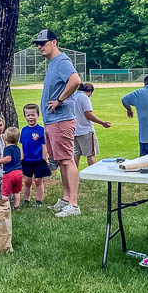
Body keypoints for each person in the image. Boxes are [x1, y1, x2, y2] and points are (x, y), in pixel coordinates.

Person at [34, 29, 82, 218]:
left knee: (67, 160)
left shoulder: (62, 61)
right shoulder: (53, 63)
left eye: (43, 43)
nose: (40, 46)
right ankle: (65, 198)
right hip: (52, 121)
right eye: (38, 44)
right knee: (61, 161)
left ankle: (74, 204)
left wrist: (59, 100)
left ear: (54, 42)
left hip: (61, 120)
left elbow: (75, 81)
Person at [70, 83, 111, 167]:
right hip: (85, 131)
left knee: (75, 155)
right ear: (90, 92)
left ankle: (73, 176)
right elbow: (88, 114)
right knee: (90, 154)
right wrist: (102, 123)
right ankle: (93, 176)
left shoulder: (73, 96)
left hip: (74, 130)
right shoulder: (84, 97)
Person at [20, 104, 51, 208]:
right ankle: (26, 200)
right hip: (27, 160)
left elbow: (44, 145)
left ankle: (39, 201)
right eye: (28, 115)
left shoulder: (41, 130)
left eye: (33, 115)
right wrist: (22, 158)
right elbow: (23, 145)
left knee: (38, 180)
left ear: (38, 115)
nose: (30, 118)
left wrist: (45, 157)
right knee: (27, 181)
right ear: (25, 116)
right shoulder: (24, 130)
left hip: (38, 160)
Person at [1, 127, 23, 210]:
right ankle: (17, 206)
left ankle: (5, 208)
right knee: (16, 191)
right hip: (18, 173)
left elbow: (8, 159)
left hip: (9, 173)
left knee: (5, 192)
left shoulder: (7, 149)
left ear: (5, 137)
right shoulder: (17, 148)